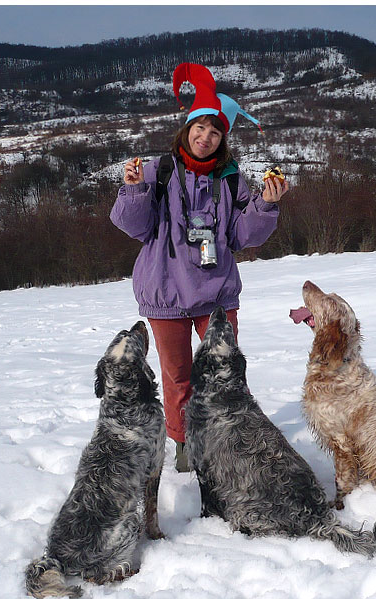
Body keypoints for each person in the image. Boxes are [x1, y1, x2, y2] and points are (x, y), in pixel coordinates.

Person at [110, 63, 289, 471]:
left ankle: (229, 441)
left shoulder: (230, 180)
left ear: (223, 137)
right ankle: (185, 445)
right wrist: (135, 190)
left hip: (217, 295)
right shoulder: (159, 171)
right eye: (200, 127)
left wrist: (267, 204)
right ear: (186, 127)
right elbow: (133, 227)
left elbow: (245, 236)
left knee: (226, 373)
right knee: (178, 379)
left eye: (215, 131)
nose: (205, 137)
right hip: (166, 293)